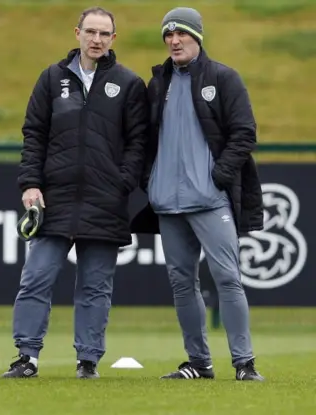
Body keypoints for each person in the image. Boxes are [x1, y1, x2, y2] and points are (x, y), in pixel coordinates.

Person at [1, 6, 149, 379]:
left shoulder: (128, 84)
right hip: (55, 199)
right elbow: (34, 134)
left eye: (104, 34)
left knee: (95, 289)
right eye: (91, 32)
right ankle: (27, 357)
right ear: (77, 33)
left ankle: (88, 361)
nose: (96, 40)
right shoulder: (52, 79)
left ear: (113, 39)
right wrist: (31, 183)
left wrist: (122, 182)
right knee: (36, 279)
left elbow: (139, 143)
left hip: (105, 202)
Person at [130, 7, 265, 381]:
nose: (174, 41)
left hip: (210, 200)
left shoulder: (223, 78)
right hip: (167, 204)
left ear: (197, 38)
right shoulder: (157, 84)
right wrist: (150, 180)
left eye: (182, 35)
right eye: (168, 36)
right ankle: (199, 363)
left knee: (228, 278)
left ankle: (244, 363)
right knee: (181, 283)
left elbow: (244, 133)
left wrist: (217, 177)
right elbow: (144, 140)